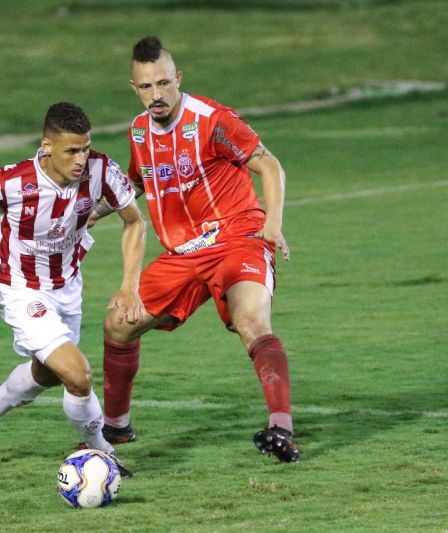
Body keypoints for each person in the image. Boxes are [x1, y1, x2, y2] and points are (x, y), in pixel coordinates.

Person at [90, 37, 299, 462]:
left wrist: (272, 224)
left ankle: (281, 429)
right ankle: (115, 430)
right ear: (134, 87)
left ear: (178, 79)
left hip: (236, 236)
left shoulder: (213, 119)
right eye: (147, 87)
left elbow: (269, 164)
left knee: (251, 321)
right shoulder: (138, 132)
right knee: (117, 324)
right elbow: (136, 185)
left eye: (164, 84)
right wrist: (96, 210)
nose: (157, 95)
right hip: (183, 254)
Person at [0, 102, 146, 475]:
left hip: (67, 287)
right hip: (19, 288)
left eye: (86, 148)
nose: (81, 159)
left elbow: (134, 222)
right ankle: (103, 453)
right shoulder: (14, 180)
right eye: (72, 151)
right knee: (77, 375)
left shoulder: (101, 170)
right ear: (47, 146)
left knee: (47, 373)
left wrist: (129, 284)